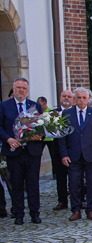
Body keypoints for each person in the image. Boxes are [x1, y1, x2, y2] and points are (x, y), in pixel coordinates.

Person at [0, 77, 45, 225]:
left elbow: (41, 125)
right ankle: (18, 213)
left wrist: (40, 136)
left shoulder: (35, 106)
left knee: (33, 183)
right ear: (13, 89)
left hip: (32, 151)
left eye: (24, 88)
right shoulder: (4, 106)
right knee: (16, 183)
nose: (21, 90)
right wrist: (8, 139)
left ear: (27, 90)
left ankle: (35, 213)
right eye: (18, 87)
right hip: (14, 150)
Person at [60, 87, 92, 221]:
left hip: (91, 154)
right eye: (79, 98)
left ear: (88, 99)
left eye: (84, 98)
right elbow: (62, 137)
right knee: (74, 184)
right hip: (73, 155)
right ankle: (75, 210)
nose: (81, 100)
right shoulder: (67, 114)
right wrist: (64, 154)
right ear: (74, 99)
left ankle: (90, 209)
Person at [50, 89, 75, 212]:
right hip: (57, 151)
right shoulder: (53, 113)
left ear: (73, 99)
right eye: (64, 96)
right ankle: (62, 200)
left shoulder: (76, 112)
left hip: (74, 149)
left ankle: (78, 200)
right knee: (60, 177)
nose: (66, 98)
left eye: (69, 96)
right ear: (60, 97)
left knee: (76, 177)